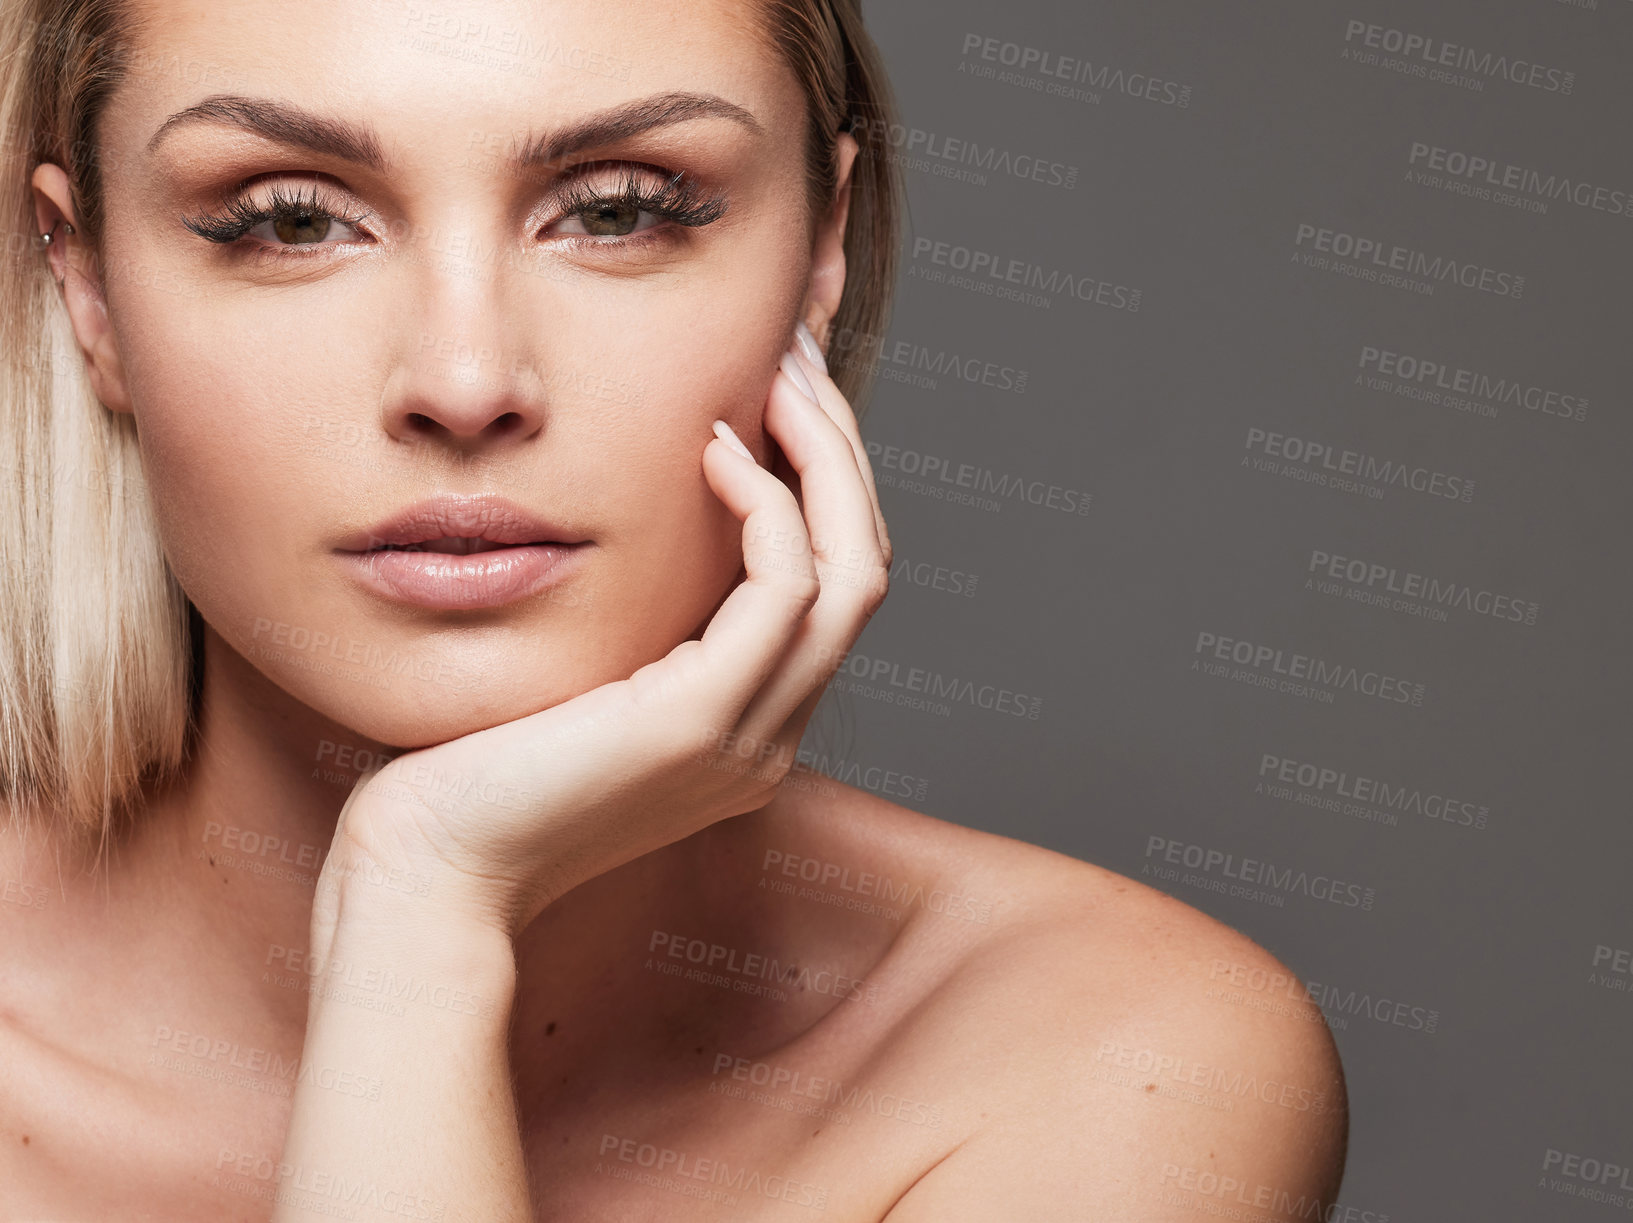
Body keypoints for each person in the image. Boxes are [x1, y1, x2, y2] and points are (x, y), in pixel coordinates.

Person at [0, 0, 1347, 1217]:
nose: (466, 381)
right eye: (291, 219)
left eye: (618, 209)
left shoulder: (1107, 1055)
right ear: (89, 285)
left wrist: (421, 910)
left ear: (818, 254)